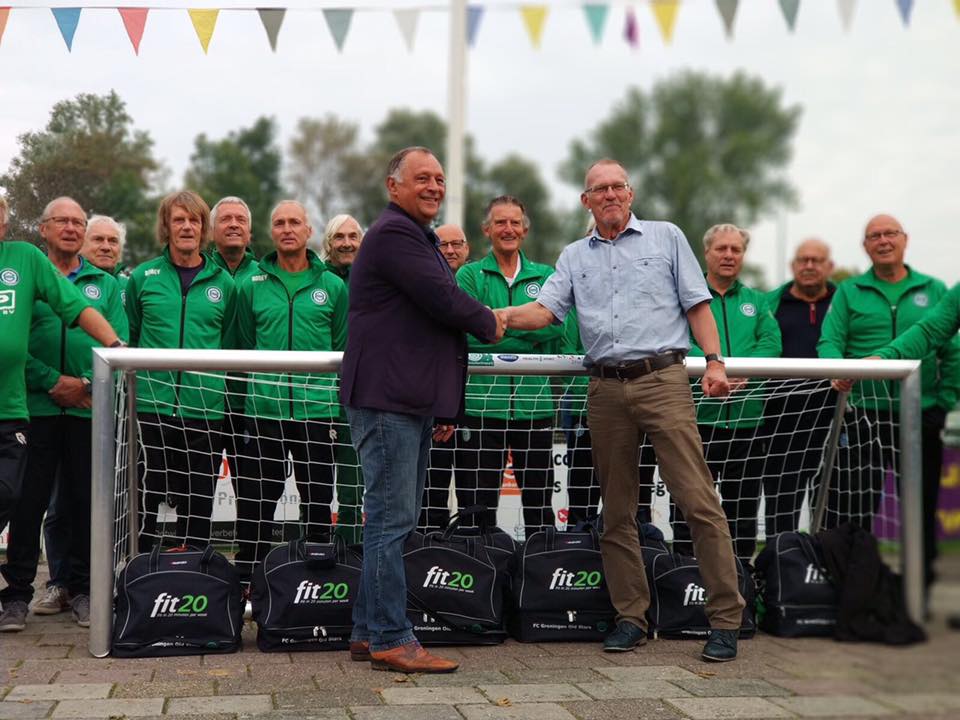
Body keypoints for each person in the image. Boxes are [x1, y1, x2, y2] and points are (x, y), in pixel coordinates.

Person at [500, 158, 745, 662]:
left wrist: (714, 361)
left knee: (698, 502)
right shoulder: (573, 256)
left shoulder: (666, 236)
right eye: (599, 189)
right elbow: (545, 312)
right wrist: (496, 315)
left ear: (630, 194)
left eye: (617, 186)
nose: (610, 195)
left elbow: (697, 305)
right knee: (615, 512)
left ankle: (725, 620)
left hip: (664, 380)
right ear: (585, 200)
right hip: (605, 390)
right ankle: (630, 617)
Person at [340, 146, 503, 673]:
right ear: (394, 186)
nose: (435, 186)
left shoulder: (415, 235)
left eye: (439, 178)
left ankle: (367, 631)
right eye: (422, 178)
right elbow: (443, 299)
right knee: (391, 522)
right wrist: (493, 321)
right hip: (388, 398)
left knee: (392, 520)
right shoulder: (395, 233)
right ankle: (392, 637)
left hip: (404, 397)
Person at [818, 214, 959, 599]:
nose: (883, 240)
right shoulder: (849, 291)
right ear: (865, 246)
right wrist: (837, 370)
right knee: (855, 508)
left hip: (921, 416)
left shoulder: (935, 288)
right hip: (864, 415)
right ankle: (855, 594)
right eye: (874, 235)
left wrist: (944, 401)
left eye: (890, 233)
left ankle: (917, 597)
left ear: (905, 239)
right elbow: (830, 341)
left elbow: (950, 348)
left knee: (920, 508)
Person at [0, 197, 124, 633]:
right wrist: (53, 381)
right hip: (32, 406)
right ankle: (18, 593)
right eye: (62, 221)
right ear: (43, 228)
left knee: (86, 501)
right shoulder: (29, 265)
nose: (71, 228)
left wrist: (87, 384)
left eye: (78, 221)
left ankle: (85, 589)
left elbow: (109, 332)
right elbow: (19, 347)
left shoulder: (104, 283)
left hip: (88, 407)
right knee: (27, 503)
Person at [232, 201, 347, 581]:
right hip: (265, 411)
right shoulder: (251, 285)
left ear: (309, 230)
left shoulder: (332, 286)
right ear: (271, 232)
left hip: (318, 412)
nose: (287, 229)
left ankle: (315, 579)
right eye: (279, 223)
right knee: (257, 501)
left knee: (317, 501)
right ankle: (249, 579)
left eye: (294, 222)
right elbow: (243, 345)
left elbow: (342, 346)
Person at [125, 191, 237, 551]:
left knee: (198, 503)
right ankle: (138, 569)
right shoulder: (143, 277)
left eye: (194, 220)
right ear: (166, 226)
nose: (187, 227)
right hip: (151, 408)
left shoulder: (224, 283)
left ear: (204, 228)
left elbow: (230, 343)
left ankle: (195, 571)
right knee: (145, 498)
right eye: (179, 219)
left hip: (203, 411)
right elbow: (131, 335)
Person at [673, 224, 781, 565]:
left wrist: (742, 372)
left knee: (743, 511)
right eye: (721, 248)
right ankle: (685, 573)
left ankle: (740, 576)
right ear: (706, 253)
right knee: (690, 506)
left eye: (736, 249)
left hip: (747, 423)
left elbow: (772, 342)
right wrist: (711, 366)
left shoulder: (756, 301)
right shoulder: (685, 297)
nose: (729, 255)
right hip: (697, 423)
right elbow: (677, 340)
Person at [455, 196, 562, 539]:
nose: (508, 229)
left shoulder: (546, 275)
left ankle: (539, 565)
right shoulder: (469, 275)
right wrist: (527, 333)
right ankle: (480, 567)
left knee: (539, 506)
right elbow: (464, 333)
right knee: (477, 507)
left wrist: (497, 325)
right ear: (486, 230)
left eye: (515, 222)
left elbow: (555, 327)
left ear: (525, 230)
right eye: (500, 222)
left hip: (535, 409)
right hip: (481, 408)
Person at [762, 238, 837, 537]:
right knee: (782, 506)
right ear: (792, 266)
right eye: (803, 260)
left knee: (832, 506)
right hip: (781, 423)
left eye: (816, 260)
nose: (809, 265)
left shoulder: (843, 303)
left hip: (833, 419)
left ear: (829, 267)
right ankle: (780, 561)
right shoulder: (771, 304)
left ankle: (827, 564)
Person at [420, 223, 471, 530]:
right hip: (431, 405)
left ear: (467, 248)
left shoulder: (473, 279)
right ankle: (428, 547)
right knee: (431, 490)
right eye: (443, 244)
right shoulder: (422, 283)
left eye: (457, 244)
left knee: (472, 493)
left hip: (474, 407)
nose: (450, 250)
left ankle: (469, 549)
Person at [321, 214, 365, 544]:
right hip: (319, 392)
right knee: (316, 481)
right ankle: (316, 547)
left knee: (353, 480)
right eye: (339, 237)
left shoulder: (372, 277)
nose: (347, 243)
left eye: (353, 236)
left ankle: (351, 547)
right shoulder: (317, 278)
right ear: (328, 243)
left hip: (361, 390)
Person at [80, 214, 131, 298]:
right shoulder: (68, 280)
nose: (106, 247)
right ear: (81, 245)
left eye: (113, 241)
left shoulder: (131, 286)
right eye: (98, 239)